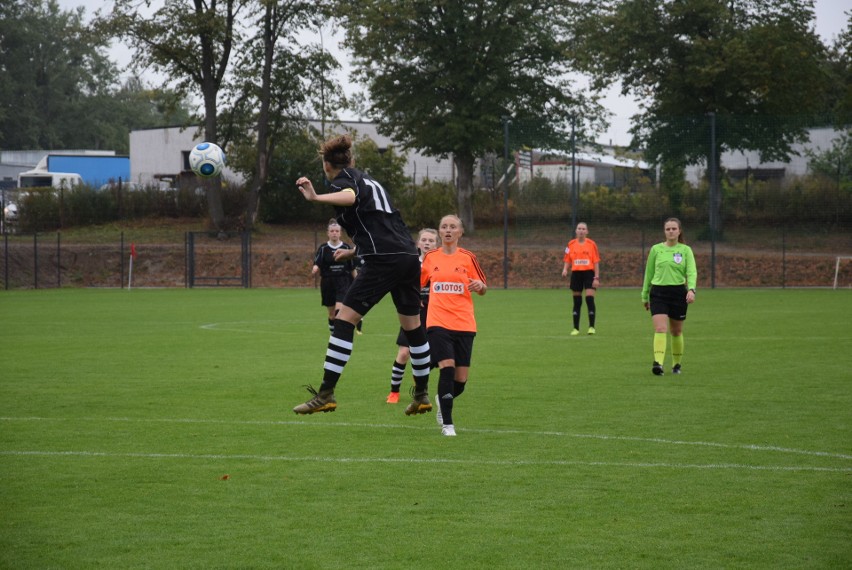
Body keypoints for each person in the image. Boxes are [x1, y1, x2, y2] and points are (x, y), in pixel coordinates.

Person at [293, 134, 432, 416]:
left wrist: (316, 196)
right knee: (413, 328)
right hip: (407, 257)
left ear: (326, 165)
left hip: (383, 260)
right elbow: (383, 227)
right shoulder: (370, 180)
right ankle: (421, 395)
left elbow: (349, 197)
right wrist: (354, 251)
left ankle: (326, 394)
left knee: (343, 320)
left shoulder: (343, 180)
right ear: (352, 160)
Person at [420, 214, 487, 436]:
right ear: (440, 232)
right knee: (446, 367)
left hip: (465, 323)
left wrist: (479, 285)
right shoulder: (430, 258)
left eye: (453, 227)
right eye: (444, 227)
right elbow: (416, 284)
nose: (448, 230)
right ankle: (448, 425)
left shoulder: (468, 258)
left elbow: (483, 287)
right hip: (438, 322)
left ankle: (442, 398)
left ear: (460, 232)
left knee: (460, 380)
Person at [387, 228, 439, 403]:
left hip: (435, 315)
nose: (427, 243)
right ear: (418, 243)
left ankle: (420, 390)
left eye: (431, 241)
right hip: (412, 313)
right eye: (424, 239)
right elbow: (399, 284)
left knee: (433, 356)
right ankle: (394, 392)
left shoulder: (440, 264)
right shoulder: (411, 262)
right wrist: (412, 299)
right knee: (404, 353)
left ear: (436, 244)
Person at [641, 217, 697, 376]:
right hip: (658, 292)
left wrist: (691, 290)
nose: (671, 231)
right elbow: (648, 273)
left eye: (674, 228)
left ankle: (676, 364)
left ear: (679, 231)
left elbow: (691, 272)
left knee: (676, 331)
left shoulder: (686, 250)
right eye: (668, 229)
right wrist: (645, 295)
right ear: (664, 231)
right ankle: (658, 363)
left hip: (678, 293)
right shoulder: (656, 249)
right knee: (660, 328)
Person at [311, 219, 360, 333]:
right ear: (328, 233)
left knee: (339, 312)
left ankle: (339, 335)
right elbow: (317, 263)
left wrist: (357, 282)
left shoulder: (346, 248)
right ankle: (333, 333)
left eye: (337, 231)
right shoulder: (323, 248)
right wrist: (315, 268)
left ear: (340, 233)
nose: (334, 233)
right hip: (328, 283)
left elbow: (352, 268)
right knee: (332, 315)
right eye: (332, 231)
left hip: (343, 282)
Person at [561, 222, 600, 335]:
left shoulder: (592, 244)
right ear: (576, 231)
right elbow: (567, 259)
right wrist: (565, 269)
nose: (581, 231)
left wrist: (596, 278)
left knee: (589, 299)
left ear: (587, 231)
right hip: (576, 274)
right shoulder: (570, 244)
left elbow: (596, 262)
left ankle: (591, 327)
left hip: (589, 273)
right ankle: (575, 328)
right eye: (579, 228)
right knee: (577, 301)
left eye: (583, 229)